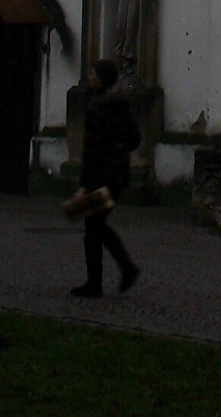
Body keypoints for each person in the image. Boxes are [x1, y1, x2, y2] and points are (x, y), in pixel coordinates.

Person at [72, 58, 141, 297]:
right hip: (117, 175)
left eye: (92, 73)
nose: (89, 77)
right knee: (96, 226)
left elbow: (92, 151)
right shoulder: (120, 106)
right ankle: (120, 271)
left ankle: (101, 280)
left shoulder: (97, 107)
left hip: (102, 175)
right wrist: (118, 152)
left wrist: (84, 185)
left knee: (93, 227)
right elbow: (134, 139)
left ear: (101, 79)